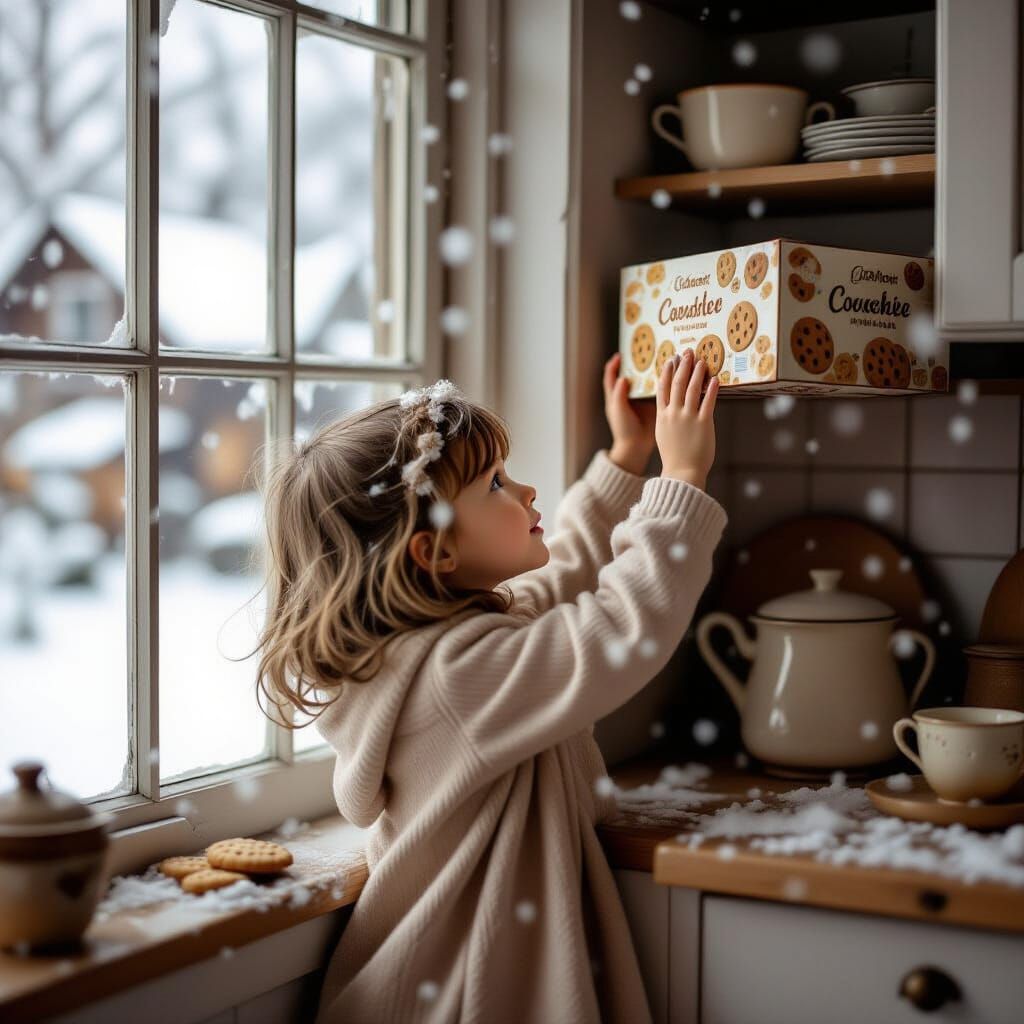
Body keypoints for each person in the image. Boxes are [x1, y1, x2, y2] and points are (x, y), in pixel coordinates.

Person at [252, 347, 725, 1023]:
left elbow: (555, 580)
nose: (528, 492)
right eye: (497, 484)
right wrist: (681, 475)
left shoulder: (432, 654)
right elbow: (619, 629)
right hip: (465, 997)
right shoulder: (456, 677)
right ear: (436, 552)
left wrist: (626, 456)